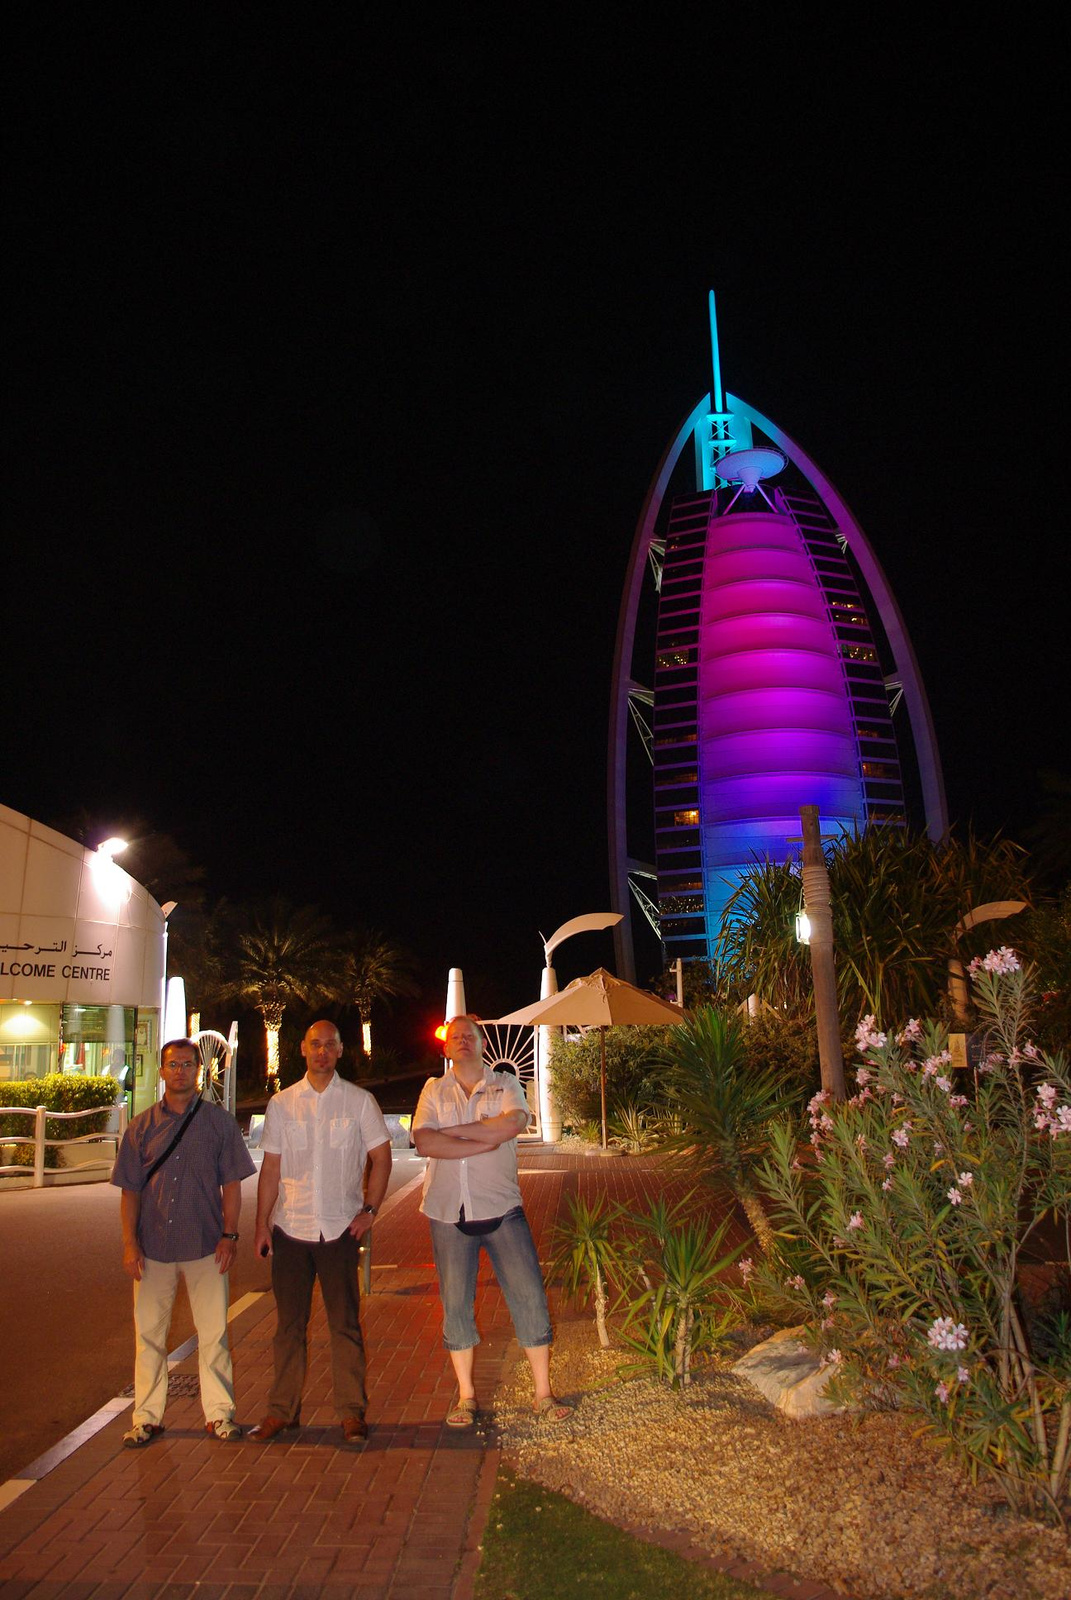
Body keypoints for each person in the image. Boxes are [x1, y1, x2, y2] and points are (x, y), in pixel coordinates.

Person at [413, 1014, 572, 1427]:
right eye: (455, 1037)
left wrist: (456, 1136)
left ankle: (544, 1393)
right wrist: (484, 1135)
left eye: (470, 1036)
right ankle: (466, 1396)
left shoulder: (505, 1084)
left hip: (501, 1207)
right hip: (448, 1211)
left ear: (482, 1043)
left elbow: (515, 1123)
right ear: (446, 1047)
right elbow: (423, 1140)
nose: (462, 1041)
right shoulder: (432, 1090)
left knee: (529, 1296)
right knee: (456, 1304)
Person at [250, 1019, 392, 1447]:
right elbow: (271, 1169)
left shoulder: (359, 1102)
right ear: (303, 1049)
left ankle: (352, 1414)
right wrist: (261, 1224)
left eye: (330, 1044)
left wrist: (370, 1210)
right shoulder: (282, 1104)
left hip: (339, 1231)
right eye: (315, 1044)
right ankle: (282, 1413)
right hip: (291, 1229)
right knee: (288, 1328)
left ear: (341, 1050)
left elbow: (381, 1159)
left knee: (344, 1325)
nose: (322, 1052)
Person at [112, 1037, 255, 1448]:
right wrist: (129, 1244)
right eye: (173, 1065)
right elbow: (130, 1192)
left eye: (188, 1064)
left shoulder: (218, 1124)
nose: (180, 1071)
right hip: (153, 1248)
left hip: (206, 1247)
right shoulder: (140, 1126)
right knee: (149, 1338)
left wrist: (230, 1235)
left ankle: (220, 1415)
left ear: (199, 1071)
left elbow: (232, 1185)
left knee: (213, 1337)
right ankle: (147, 1418)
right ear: (161, 1071)